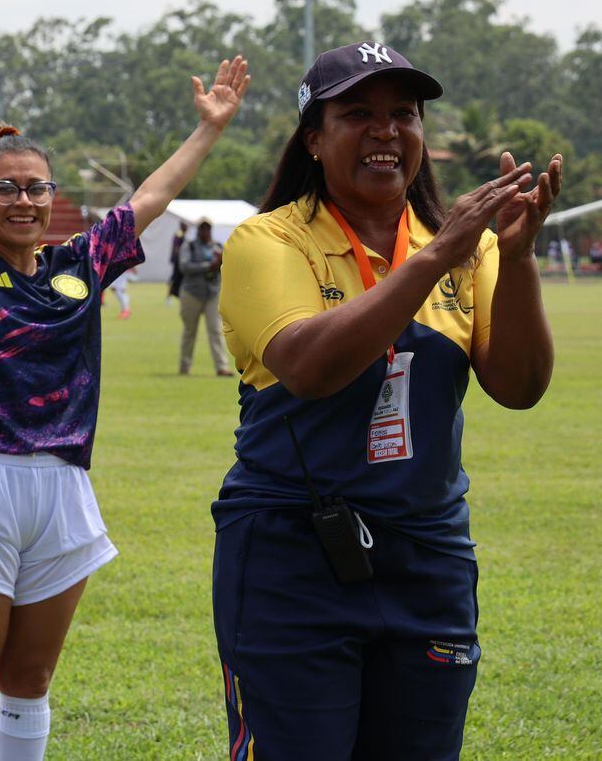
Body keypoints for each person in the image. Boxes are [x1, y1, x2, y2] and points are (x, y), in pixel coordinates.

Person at [0, 31, 251, 759]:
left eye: (36, 187)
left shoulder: (81, 264)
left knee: (31, 680)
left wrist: (209, 128)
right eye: (6, 188)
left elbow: (153, 196)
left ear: (51, 198)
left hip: (64, 491)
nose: (24, 199)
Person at [211, 41, 560, 760]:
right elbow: (310, 367)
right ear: (314, 138)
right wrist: (436, 257)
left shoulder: (468, 248)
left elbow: (520, 387)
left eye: (404, 113)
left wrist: (517, 257)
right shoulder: (268, 239)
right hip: (291, 556)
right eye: (358, 114)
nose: (386, 130)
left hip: (428, 557)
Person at [178, 218, 230, 375]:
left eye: (208, 228)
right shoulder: (189, 246)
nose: (205, 231)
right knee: (189, 331)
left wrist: (221, 260)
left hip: (212, 292)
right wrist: (208, 266)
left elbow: (227, 266)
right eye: (202, 228)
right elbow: (184, 266)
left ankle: (222, 367)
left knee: (216, 330)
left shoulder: (217, 246)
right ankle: (185, 366)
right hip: (192, 293)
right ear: (198, 230)